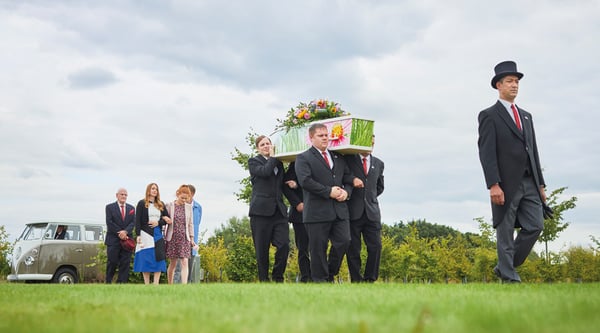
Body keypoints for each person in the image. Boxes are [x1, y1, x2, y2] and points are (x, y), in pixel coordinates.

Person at [478, 60, 547, 283]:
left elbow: (534, 151)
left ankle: (504, 266)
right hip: (505, 183)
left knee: (535, 226)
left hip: (530, 182)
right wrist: (493, 184)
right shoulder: (489, 115)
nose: (514, 85)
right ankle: (510, 278)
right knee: (505, 230)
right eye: (509, 81)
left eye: (516, 81)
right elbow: (486, 153)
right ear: (499, 85)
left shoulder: (527, 116)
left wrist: (541, 185)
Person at [295, 123, 362, 282]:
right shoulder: (303, 158)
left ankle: (330, 272)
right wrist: (328, 191)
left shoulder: (338, 157)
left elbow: (347, 177)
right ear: (311, 138)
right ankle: (320, 281)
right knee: (318, 249)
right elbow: (305, 181)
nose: (325, 138)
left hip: (339, 210)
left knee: (344, 241)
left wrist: (347, 192)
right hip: (317, 212)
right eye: (320, 135)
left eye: (326, 135)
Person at [248, 135, 290, 282]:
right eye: (262, 145)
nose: (266, 146)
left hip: (279, 211)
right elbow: (265, 172)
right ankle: (264, 280)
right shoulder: (253, 162)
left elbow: (281, 184)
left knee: (284, 244)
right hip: (260, 212)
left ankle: (278, 277)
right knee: (262, 250)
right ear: (258, 148)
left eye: (268, 143)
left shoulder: (278, 163)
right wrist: (273, 157)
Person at [344, 135, 385, 283]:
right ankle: (356, 279)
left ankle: (370, 278)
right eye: (368, 143)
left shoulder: (379, 163)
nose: (370, 146)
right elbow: (344, 176)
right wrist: (352, 182)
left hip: (372, 213)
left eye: (372, 143)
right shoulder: (349, 159)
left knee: (376, 247)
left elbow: (379, 187)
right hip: (353, 211)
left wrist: (370, 198)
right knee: (353, 249)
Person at [133, 183, 171, 285]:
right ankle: (146, 284)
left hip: (158, 234)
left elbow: (168, 220)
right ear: (148, 190)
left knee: (159, 258)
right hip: (145, 234)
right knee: (146, 258)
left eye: (156, 189)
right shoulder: (141, 203)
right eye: (153, 188)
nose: (155, 190)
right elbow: (137, 221)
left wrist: (158, 222)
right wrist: (138, 235)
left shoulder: (161, 204)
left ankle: (156, 283)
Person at [282, 161, 311, 282]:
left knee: (319, 247)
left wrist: (297, 184)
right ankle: (306, 278)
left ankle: (321, 276)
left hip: (321, 210)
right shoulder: (297, 162)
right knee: (303, 248)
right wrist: (297, 203)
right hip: (300, 214)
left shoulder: (326, 160)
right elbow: (285, 185)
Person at [165, 185, 196, 284]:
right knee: (173, 263)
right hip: (172, 237)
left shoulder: (189, 207)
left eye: (186, 199)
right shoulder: (169, 206)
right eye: (182, 198)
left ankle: (184, 286)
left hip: (184, 238)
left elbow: (191, 223)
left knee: (184, 262)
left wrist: (191, 238)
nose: (184, 200)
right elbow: (163, 218)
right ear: (177, 194)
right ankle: (170, 284)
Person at [104, 188, 135, 283]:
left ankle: (121, 283)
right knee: (112, 262)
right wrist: (120, 232)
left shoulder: (131, 208)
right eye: (122, 194)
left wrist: (125, 232)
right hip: (113, 240)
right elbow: (109, 222)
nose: (124, 196)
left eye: (125, 195)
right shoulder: (109, 207)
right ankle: (108, 282)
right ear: (117, 195)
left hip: (127, 240)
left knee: (125, 263)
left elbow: (133, 222)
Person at [174, 184, 203, 283]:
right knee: (179, 265)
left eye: (188, 193)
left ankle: (187, 285)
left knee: (189, 265)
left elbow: (196, 223)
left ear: (192, 194)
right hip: (180, 240)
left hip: (192, 241)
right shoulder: (179, 206)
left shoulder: (198, 207)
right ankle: (175, 285)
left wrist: (192, 238)